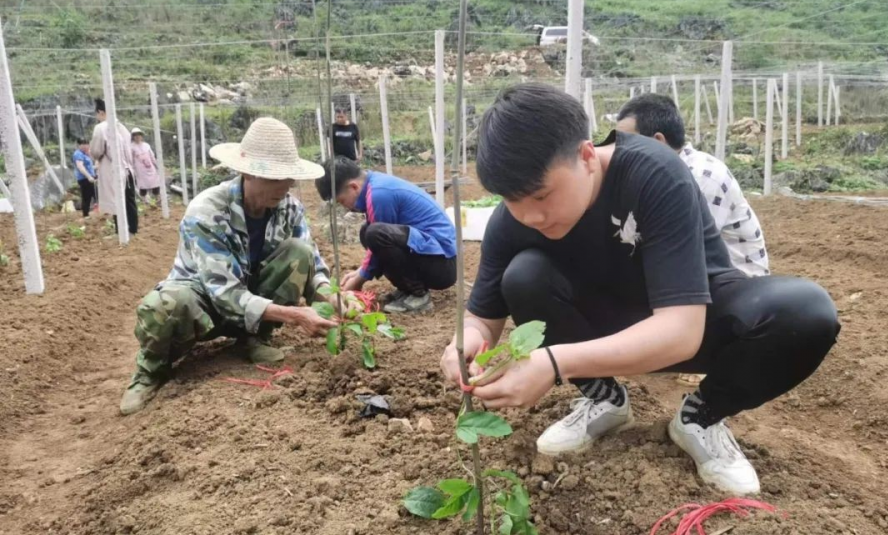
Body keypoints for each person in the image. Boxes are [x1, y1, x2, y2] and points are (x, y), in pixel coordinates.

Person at [440, 83, 840, 495]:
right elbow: (481, 318)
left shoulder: (653, 173)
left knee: (804, 313)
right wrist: (466, 342)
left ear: (586, 155)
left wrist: (553, 363)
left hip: (695, 319)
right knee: (522, 276)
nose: (532, 216)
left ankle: (700, 416)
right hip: (603, 325)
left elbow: (681, 330)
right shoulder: (516, 220)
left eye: (543, 195)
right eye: (511, 200)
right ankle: (604, 400)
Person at [120, 118, 341, 416]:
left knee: (298, 252)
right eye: (275, 178)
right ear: (247, 173)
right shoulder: (208, 210)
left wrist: (330, 297)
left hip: (253, 297)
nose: (285, 186)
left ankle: (253, 338)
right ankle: (151, 370)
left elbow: (312, 263)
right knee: (165, 304)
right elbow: (224, 293)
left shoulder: (289, 208)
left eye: (289, 178)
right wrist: (294, 315)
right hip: (205, 303)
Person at [616, 93, 771, 387]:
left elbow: (692, 256)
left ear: (657, 141)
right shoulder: (658, 174)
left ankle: (701, 352)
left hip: (735, 288)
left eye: (626, 142)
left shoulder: (700, 176)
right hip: (701, 279)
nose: (618, 151)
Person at [315, 156, 456, 314]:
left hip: (443, 265)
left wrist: (359, 279)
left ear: (353, 187)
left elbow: (379, 237)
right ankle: (406, 289)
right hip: (431, 255)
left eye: (342, 201)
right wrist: (360, 271)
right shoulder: (374, 184)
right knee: (367, 232)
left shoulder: (379, 194)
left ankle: (419, 294)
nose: (346, 207)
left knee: (374, 234)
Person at [90, 98, 138, 234]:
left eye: (97, 114)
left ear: (100, 112)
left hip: (113, 171)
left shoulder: (101, 128)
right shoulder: (121, 127)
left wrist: (95, 156)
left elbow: (96, 151)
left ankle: (121, 232)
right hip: (128, 171)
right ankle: (133, 230)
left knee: (117, 202)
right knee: (130, 201)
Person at [130, 128, 160, 205]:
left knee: (155, 184)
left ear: (141, 136)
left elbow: (152, 156)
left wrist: (157, 165)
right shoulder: (131, 147)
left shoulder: (146, 145)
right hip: (140, 170)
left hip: (150, 168)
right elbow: (131, 159)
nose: (137, 137)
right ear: (133, 137)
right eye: (135, 135)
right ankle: (145, 202)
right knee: (143, 186)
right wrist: (132, 170)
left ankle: (158, 200)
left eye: (139, 135)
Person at [72, 138, 97, 219]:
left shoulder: (86, 154)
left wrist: (96, 167)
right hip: (84, 178)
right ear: (79, 145)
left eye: (87, 144)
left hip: (90, 177)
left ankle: (91, 211)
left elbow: (89, 167)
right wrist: (89, 176)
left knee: (95, 194)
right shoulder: (78, 154)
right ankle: (86, 214)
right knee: (87, 196)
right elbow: (80, 167)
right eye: (83, 144)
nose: (86, 146)